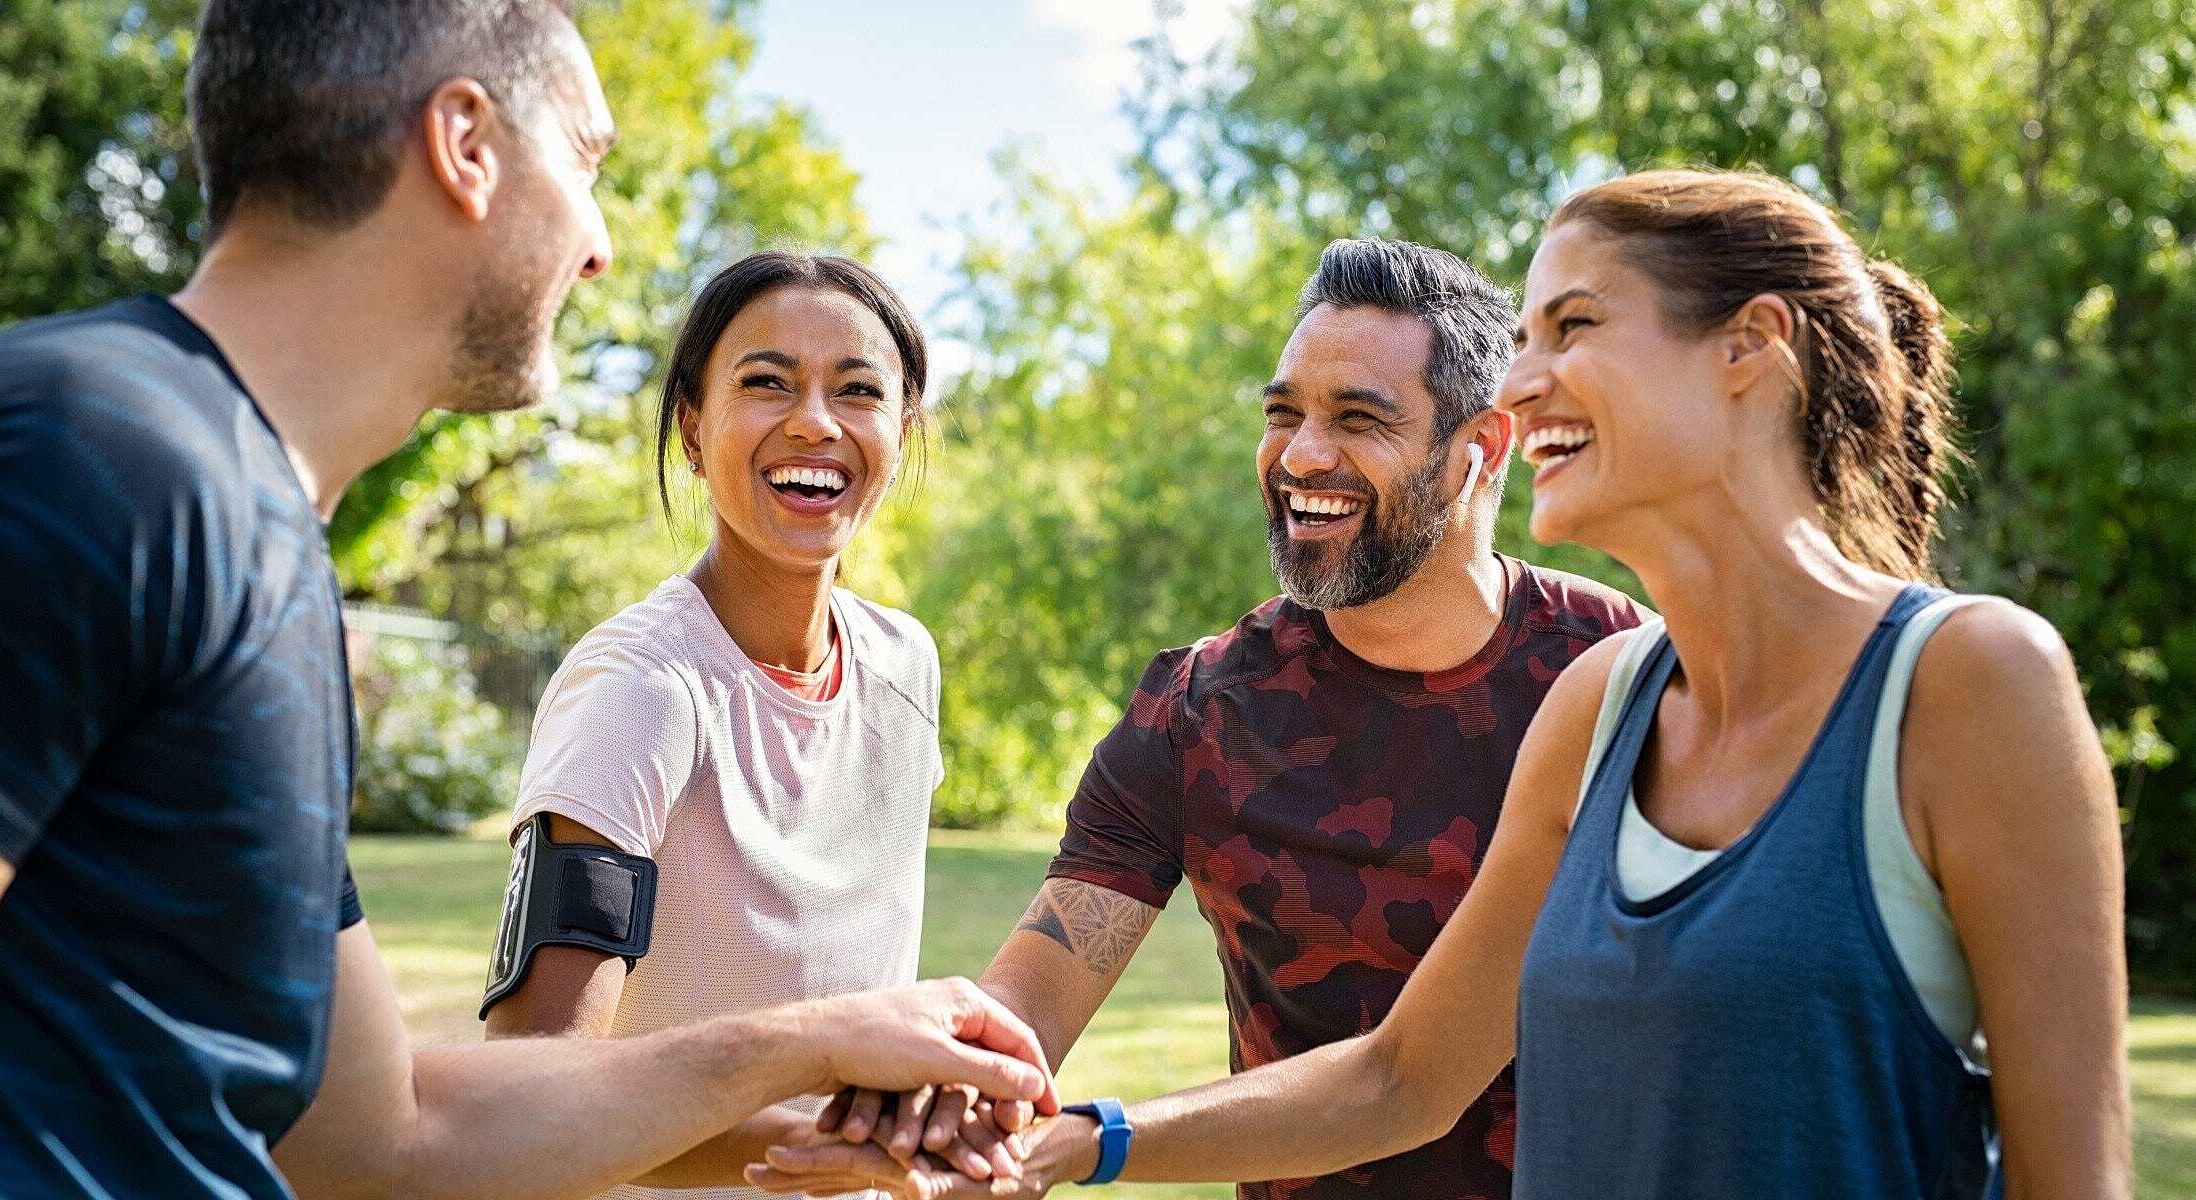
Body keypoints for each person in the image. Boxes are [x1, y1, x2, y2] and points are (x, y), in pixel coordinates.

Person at [756, 170, 2131, 1200]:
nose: (1530, 383)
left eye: (1572, 326)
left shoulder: (1941, 682)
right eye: (1283, 411)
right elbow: (1399, 1076)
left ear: (1747, 348)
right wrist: (1034, 1128)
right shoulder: (1574, 711)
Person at [0, 5, 1054, 1199]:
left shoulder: (267, 551)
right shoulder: (89, 454)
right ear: (465, 143)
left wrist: (821, 1050)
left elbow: (380, 1138)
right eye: (588, 161)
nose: (600, 245)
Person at [799, 238, 1644, 1200]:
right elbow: (1031, 1000)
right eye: (1284, 415)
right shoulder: (1197, 712)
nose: (1301, 455)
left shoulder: (1622, 672)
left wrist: (1093, 1140)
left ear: (1480, 450)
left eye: (1358, 419)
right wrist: (942, 1102)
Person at [479, 251, 1027, 1198]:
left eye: (858, 390)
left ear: (902, 431)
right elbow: (529, 1095)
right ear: (694, 430)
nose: (814, 421)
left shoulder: (905, 666)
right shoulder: (637, 692)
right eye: (767, 383)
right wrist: (838, 1129)